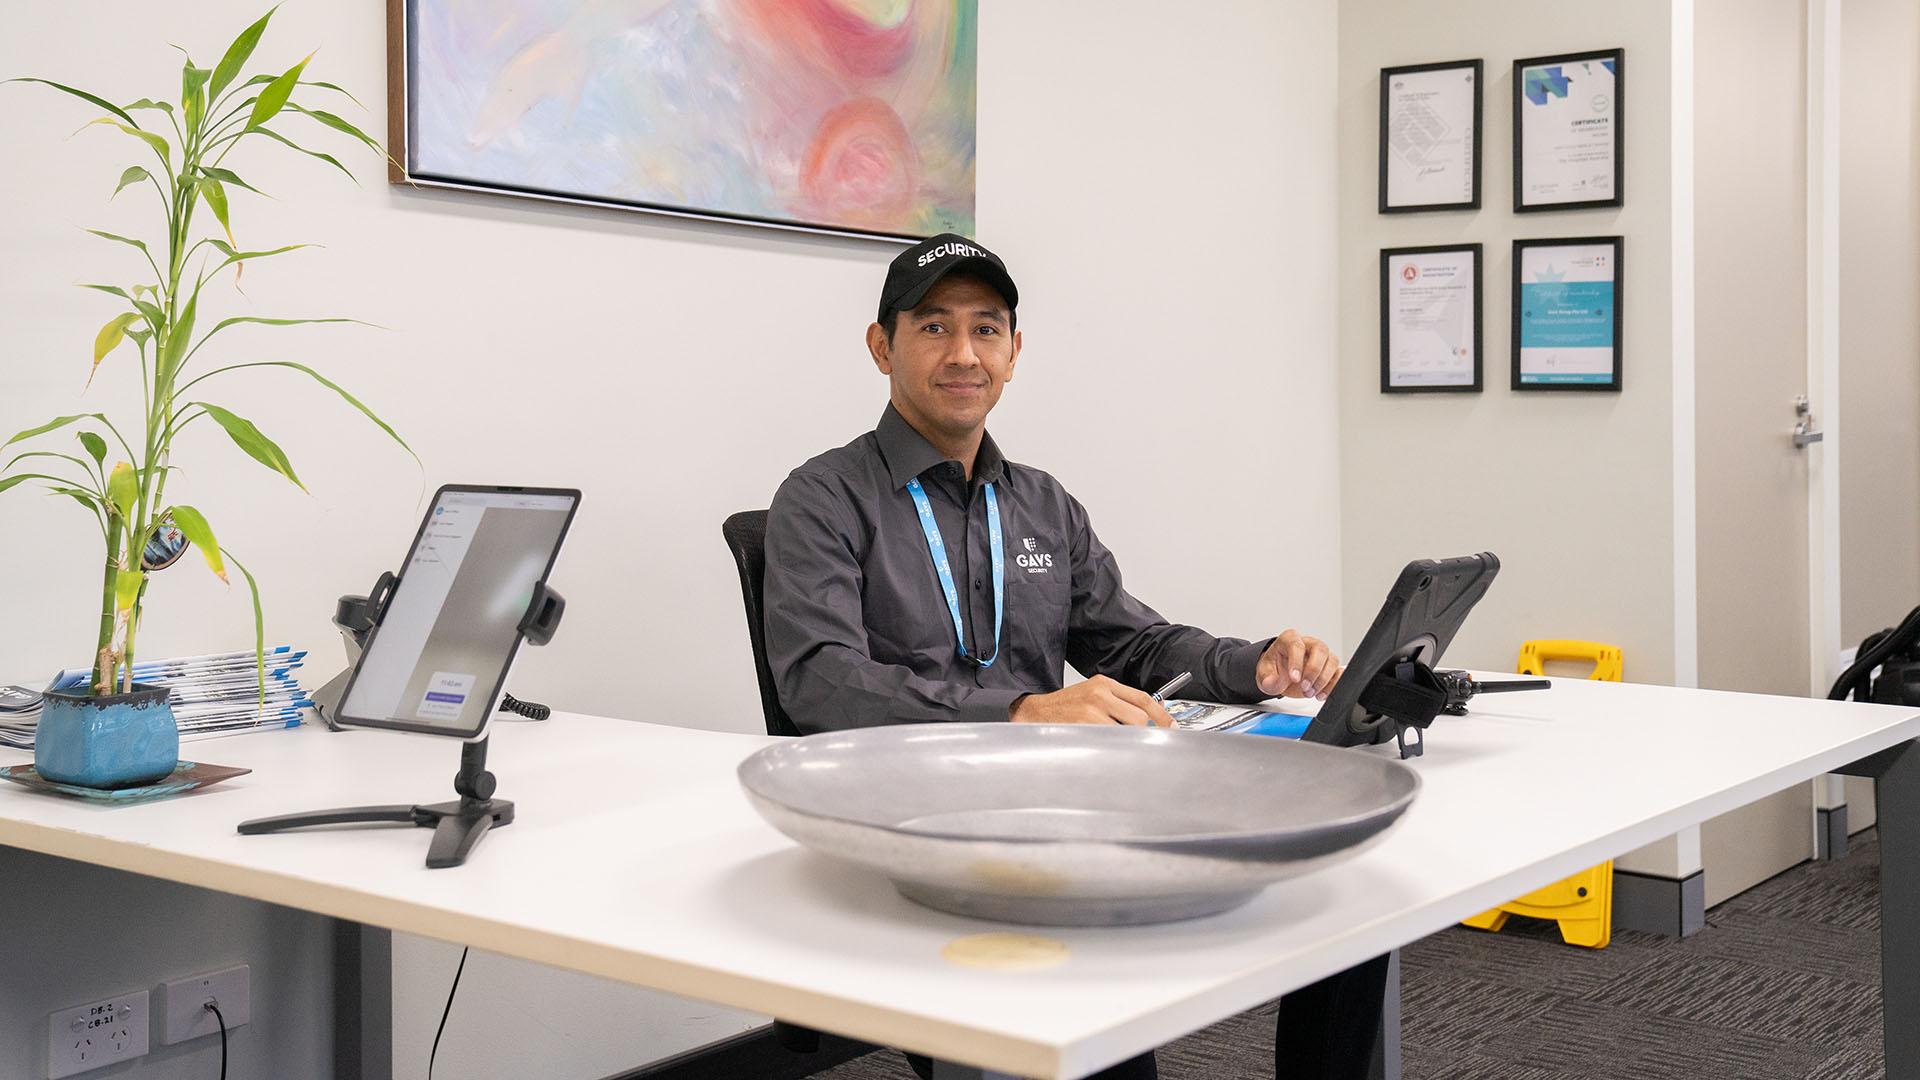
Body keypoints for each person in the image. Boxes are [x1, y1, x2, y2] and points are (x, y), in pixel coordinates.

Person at [763, 233, 1388, 1080]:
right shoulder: (824, 498)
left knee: (1342, 906)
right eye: (933, 327)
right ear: (883, 346)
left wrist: (1253, 664)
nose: (963, 354)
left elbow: (1131, 642)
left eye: (987, 330)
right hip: (923, 826)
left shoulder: (1041, 504)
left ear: (1015, 353)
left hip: (1063, 810)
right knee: (1105, 1037)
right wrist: (1020, 712)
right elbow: (821, 682)